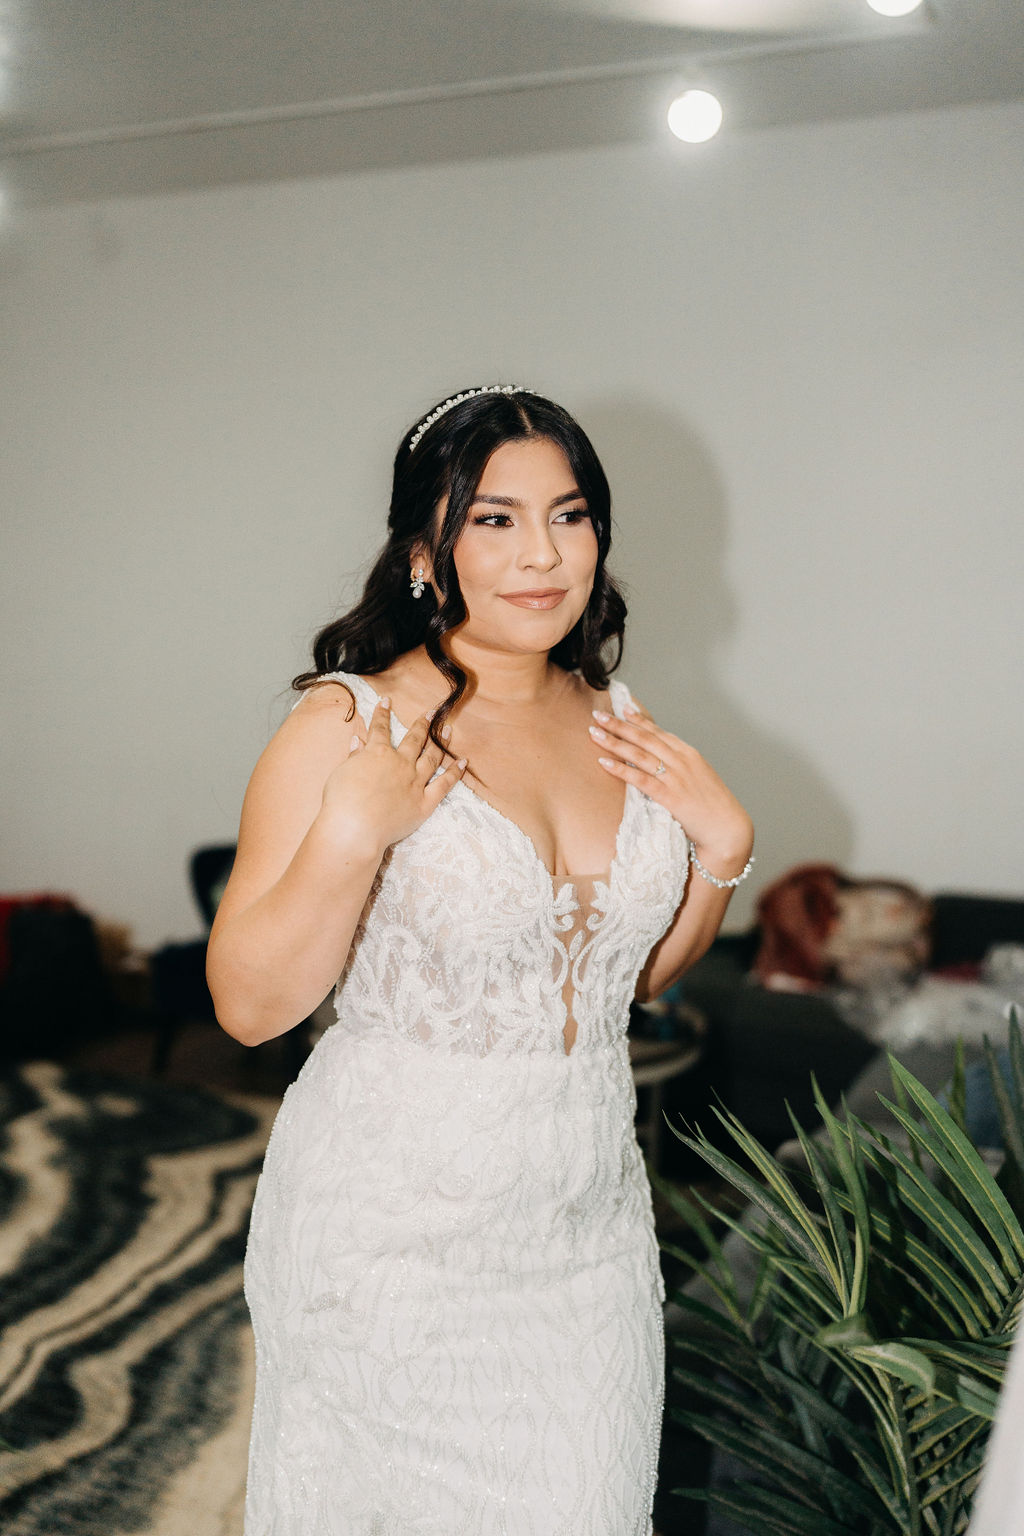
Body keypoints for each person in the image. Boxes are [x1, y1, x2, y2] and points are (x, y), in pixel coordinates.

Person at [207, 385, 754, 1535]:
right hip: (386, 1248)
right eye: (495, 520)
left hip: (587, 1240)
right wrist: (355, 830)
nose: (542, 555)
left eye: (568, 514)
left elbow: (621, 983)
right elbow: (250, 1008)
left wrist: (723, 854)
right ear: (426, 550)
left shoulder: (618, 714)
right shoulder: (345, 725)